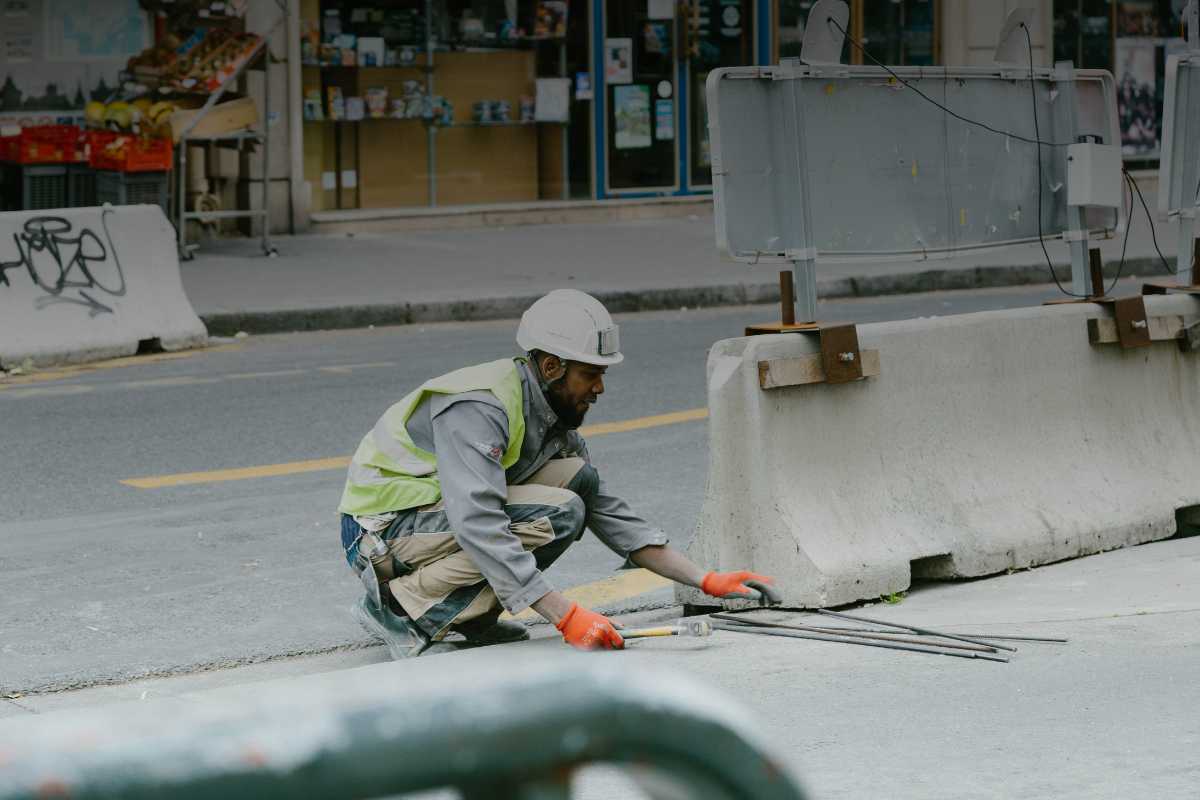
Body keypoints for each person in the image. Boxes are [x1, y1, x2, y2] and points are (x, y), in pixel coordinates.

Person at [338, 289, 774, 658]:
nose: (599, 389)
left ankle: (469, 617)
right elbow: (478, 522)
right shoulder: (481, 406)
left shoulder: (550, 417)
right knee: (558, 512)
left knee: (577, 482)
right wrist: (564, 615)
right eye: (591, 375)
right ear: (551, 367)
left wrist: (704, 579)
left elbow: (609, 513)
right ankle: (400, 610)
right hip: (380, 533)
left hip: (428, 524)